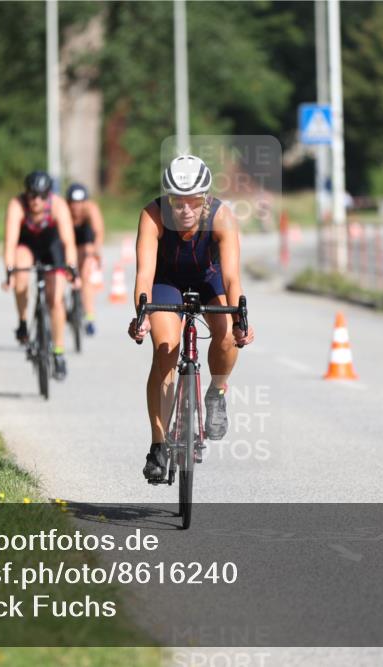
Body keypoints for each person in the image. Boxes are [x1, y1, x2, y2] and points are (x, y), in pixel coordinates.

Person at [127, 155, 255, 481]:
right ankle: (158, 446)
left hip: (208, 278)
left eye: (194, 201)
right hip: (166, 281)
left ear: (206, 199)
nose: (185, 209)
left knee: (227, 334)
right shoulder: (152, 215)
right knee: (165, 350)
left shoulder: (222, 217)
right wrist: (142, 315)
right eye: (177, 201)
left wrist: (240, 320)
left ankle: (217, 391)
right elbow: (144, 275)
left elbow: (231, 278)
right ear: (167, 198)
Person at [3, 171, 79, 380]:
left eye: (42, 195)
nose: (36, 200)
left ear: (49, 194)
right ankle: (23, 322)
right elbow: (10, 242)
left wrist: (72, 269)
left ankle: (59, 353)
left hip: (51, 247)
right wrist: (9, 272)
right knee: (20, 274)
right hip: (27, 246)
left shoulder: (58, 205)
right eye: (32, 195)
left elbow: (68, 242)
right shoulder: (17, 205)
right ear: (26, 194)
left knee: (56, 299)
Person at [66, 183, 105, 335]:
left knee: (86, 275)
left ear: (85, 202)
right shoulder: (64, 211)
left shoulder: (91, 209)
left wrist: (96, 253)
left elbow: (99, 232)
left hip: (85, 240)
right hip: (68, 239)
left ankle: (89, 318)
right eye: (73, 203)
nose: (76, 207)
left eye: (80, 202)